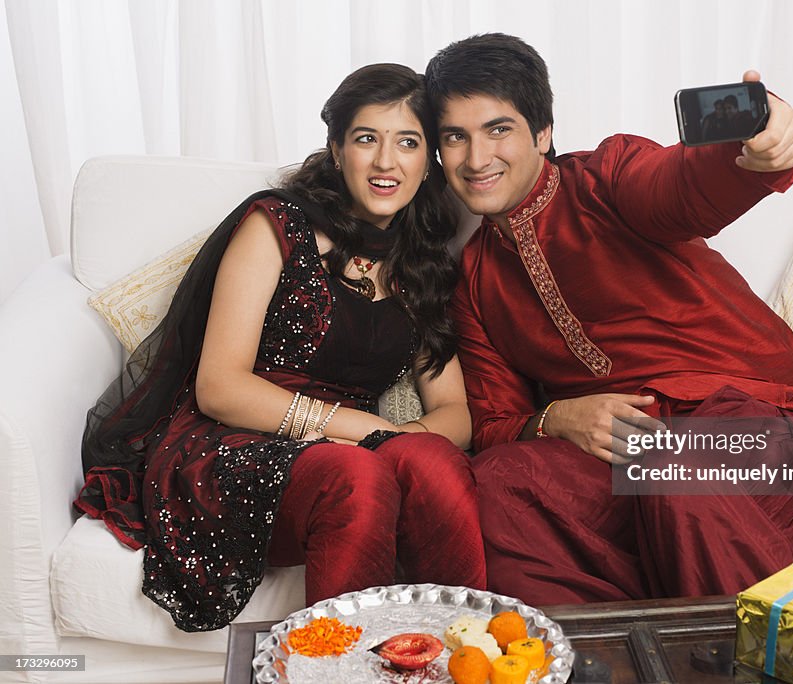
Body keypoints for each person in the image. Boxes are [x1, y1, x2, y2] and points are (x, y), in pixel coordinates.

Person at [424, 33, 793, 606]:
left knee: (678, 465)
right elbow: (496, 422)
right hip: (634, 456)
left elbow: (681, 185)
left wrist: (756, 154)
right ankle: (594, 657)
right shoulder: (474, 279)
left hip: (755, 426)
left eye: (499, 129)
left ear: (542, 132)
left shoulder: (607, 178)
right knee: (500, 482)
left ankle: (767, 655)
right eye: (456, 137)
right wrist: (558, 417)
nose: (477, 159)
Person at [76, 64, 486, 632]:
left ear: (428, 160)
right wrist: (365, 433)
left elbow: (456, 413)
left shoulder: (421, 263)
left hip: (343, 448)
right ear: (337, 150)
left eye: (408, 143)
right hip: (233, 442)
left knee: (432, 460)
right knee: (359, 477)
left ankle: (469, 649)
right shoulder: (277, 226)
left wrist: (398, 441)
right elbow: (219, 386)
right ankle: (334, 668)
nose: (386, 162)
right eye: (367, 139)